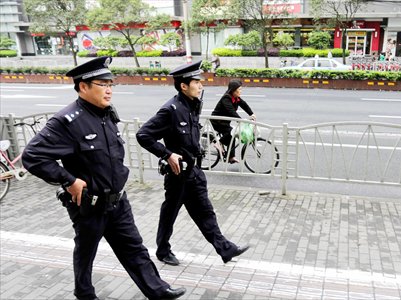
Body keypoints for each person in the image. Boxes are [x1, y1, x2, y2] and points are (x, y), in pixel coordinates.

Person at [21, 56, 186, 300]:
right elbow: (32, 156)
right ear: (83, 86)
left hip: (117, 201)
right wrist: (68, 180)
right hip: (89, 205)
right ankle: (84, 292)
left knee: (135, 248)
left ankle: (158, 290)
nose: (109, 89)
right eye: (102, 84)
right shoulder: (66, 121)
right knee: (86, 252)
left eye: (111, 84)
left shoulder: (107, 114)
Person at [136, 60, 250, 267]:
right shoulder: (170, 110)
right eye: (197, 82)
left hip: (195, 172)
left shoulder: (193, 106)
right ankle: (163, 250)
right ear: (184, 86)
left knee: (205, 212)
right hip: (178, 175)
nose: (201, 86)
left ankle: (225, 249)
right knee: (169, 213)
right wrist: (167, 154)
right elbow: (143, 135)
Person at [211, 79, 256, 164]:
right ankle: (218, 143)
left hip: (224, 122)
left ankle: (231, 157)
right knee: (231, 132)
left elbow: (244, 104)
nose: (241, 91)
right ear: (233, 90)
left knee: (232, 136)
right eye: (239, 89)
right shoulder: (226, 98)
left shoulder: (236, 98)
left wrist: (251, 113)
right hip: (217, 122)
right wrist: (240, 120)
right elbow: (231, 111)